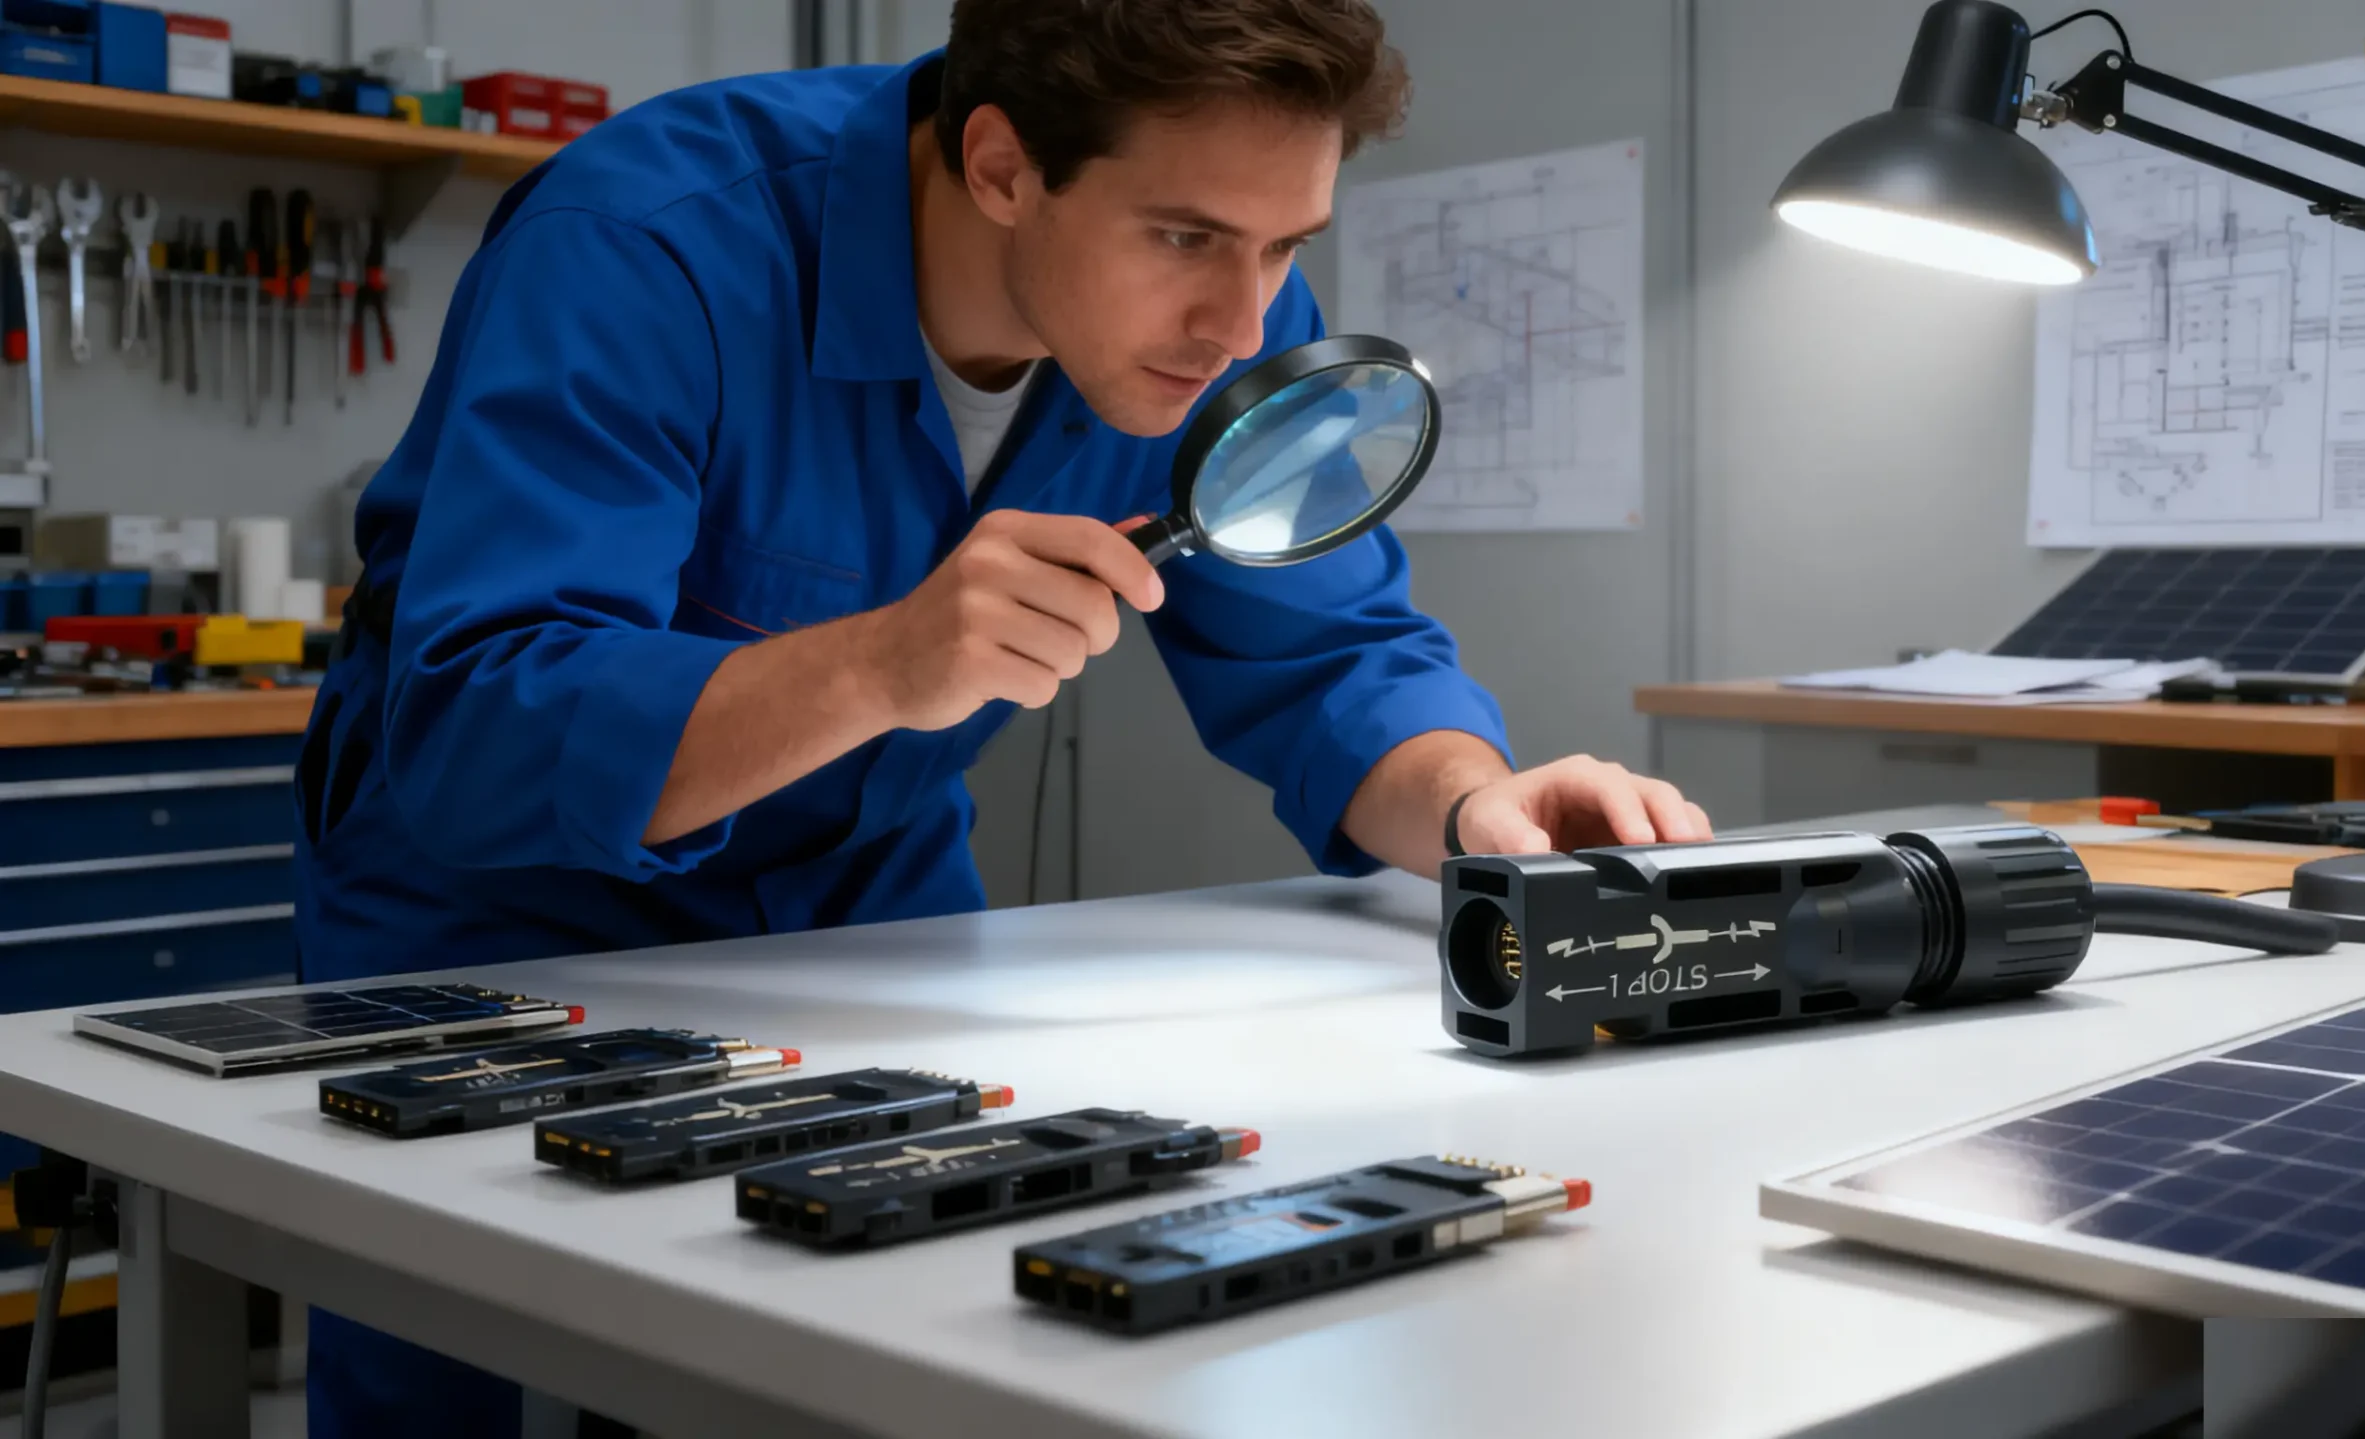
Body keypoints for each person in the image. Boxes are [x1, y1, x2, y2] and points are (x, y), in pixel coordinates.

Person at [291, 1, 1711, 1432]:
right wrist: (878, 665)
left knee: (877, 1364)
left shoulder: (1220, 318)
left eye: (1288, 246)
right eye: (1187, 238)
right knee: (440, 1379)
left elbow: (1332, 654)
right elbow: (484, 723)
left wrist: (1476, 804)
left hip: (870, 899)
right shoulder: (646, 244)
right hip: (502, 918)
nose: (1243, 322)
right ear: (1000, 165)